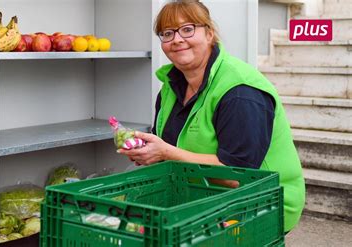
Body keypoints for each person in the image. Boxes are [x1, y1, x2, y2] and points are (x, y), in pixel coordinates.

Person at [118, 0, 305, 233]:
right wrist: (146, 151)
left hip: (258, 205)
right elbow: (166, 143)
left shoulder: (240, 93)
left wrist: (165, 152)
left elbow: (237, 177)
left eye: (187, 29)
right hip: (200, 197)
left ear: (209, 34)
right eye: (167, 33)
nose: (176, 39)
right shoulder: (170, 86)